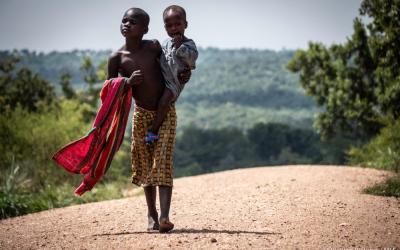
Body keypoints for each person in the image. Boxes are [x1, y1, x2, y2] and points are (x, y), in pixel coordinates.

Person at [107, 7, 190, 233]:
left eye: (133, 22)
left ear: (145, 29)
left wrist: (185, 72)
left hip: (165, 113)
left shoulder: (153, 46)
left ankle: (164, 216)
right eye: (124, 20)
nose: (127, 24)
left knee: (162, 161)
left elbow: (172, 65)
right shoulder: (116, 58)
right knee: (144, 165)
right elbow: (107, 91)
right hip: (141, 115)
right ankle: (151, 214)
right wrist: (126, 83)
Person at [145, 5, 198, 144]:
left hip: (174, 82)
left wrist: (181, 47)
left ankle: (153, 131)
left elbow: (192, 59)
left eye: (178, 24)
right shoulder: (166, 43)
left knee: (164, 102)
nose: (174, 28)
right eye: (169, 26)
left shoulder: (188, 43)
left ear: (185, 24)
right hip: (162, 77)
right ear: (165, 27)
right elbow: (161, 57)